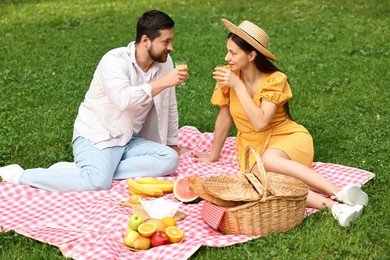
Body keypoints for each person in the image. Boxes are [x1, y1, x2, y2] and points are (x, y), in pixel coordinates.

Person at [195, 18, 368, 227]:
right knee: (263, 179)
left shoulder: (274, 80)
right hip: (252, 148)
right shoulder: (230, 77)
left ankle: (339, 192)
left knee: (268, 162)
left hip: (287, 138)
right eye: (227, 51)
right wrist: (214, 155)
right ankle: (335, 207)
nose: (226, 57)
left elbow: (260, 123)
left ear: (251, 55)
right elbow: (224, 118)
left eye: (233, 53)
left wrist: (239, 87)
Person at [0, 10, 189, 192]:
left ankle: (92, 170)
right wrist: (163, 82)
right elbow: (122, 99)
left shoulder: (165, 62)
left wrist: (172, 142)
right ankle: (20, 175)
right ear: (146, 40)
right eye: (166, 42)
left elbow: (170, 105)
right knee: (98, 183)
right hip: (97, 138)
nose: (170, 47)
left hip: (129, 138)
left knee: (170, 159)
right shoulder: (114, 61)